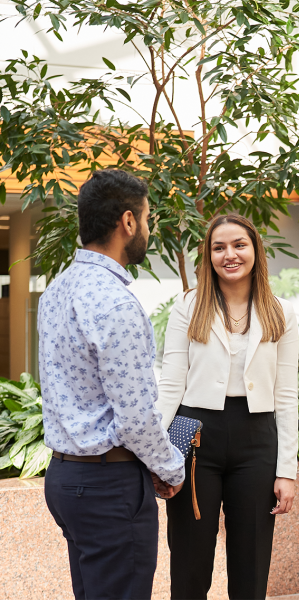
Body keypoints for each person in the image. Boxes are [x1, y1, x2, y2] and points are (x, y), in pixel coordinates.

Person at [39, 169, 186, 600]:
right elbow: (137, 417)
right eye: (147, 219)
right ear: (127, 222)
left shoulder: (57, 291)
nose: (148, 229)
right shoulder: (116, 301)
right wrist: (170, 467)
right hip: (108, 488)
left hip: (65, 478)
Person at [156, 214, 299, 600]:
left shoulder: (282, 311)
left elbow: (286, 395)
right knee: (189, 558)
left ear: (255, 250)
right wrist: (155, 453)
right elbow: (170, 382)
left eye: (239, 245)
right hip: (194, 435)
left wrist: (287, 471)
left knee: (252, 562)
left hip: (257, 439)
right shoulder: (188, 305)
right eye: (219, 247)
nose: (229, 254)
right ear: (208, 254)